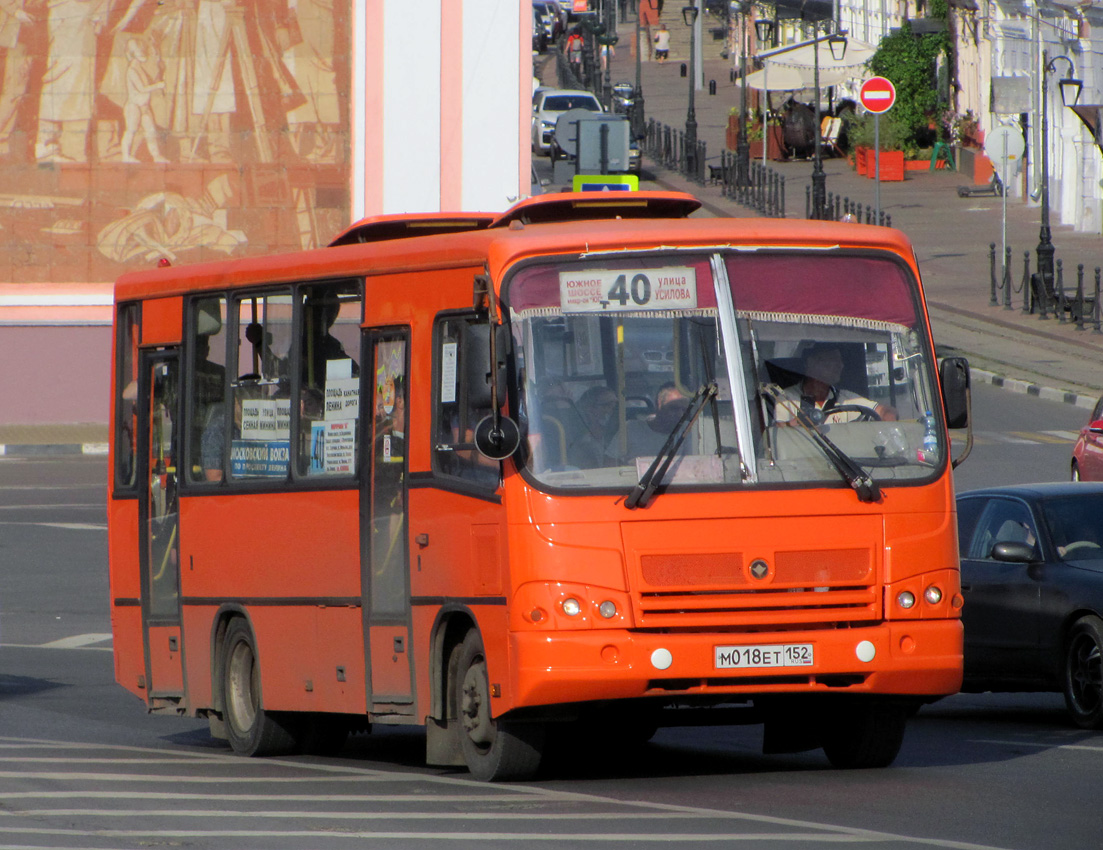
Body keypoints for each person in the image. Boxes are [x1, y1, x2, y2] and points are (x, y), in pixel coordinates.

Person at [774, 343, 897, 425]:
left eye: (840, 360)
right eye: (833, 360)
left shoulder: (846, 398)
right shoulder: (786, 399)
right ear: (812, 363)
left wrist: (888, 423)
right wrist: (797, 424)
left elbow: (885, 410)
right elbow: (779, 435)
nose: (841, 365)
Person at [571, 385, 619, 468]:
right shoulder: (578, 443)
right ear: (589, 408)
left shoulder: (622, 435)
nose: (612, 411)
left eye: (615, 406)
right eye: (607, 405)